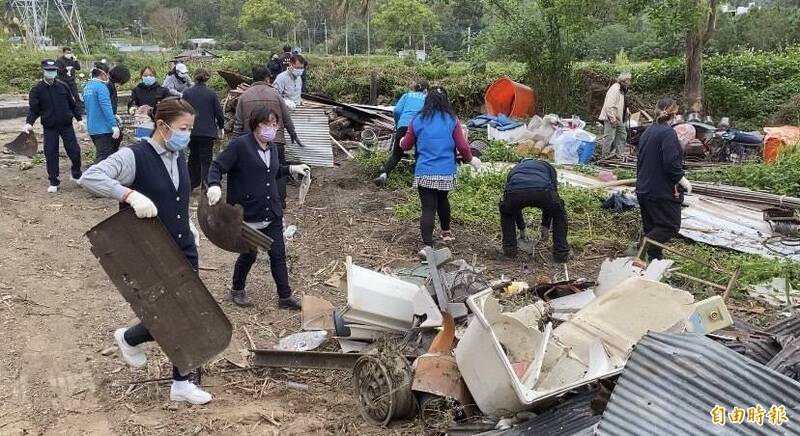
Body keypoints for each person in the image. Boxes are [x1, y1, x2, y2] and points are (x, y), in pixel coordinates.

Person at [78, 97, 209, 405]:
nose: (187, 134)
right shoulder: (134, 156)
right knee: (169, 314)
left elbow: (176, 197)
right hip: (151, 250)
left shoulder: (177, 155)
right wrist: (130, 194)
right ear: (162, 126)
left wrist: (188, 223)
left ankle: (179, 380)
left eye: (190, 128)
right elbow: (91, 177)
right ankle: (132, 340)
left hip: (182, 246)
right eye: (182, 128)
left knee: (189, 311)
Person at [207, 107, 309, 309]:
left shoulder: (272, 147)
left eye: (274, 124)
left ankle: (285, 296)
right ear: (255, 124)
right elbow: (217, 166)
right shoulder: (240, 146)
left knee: (278, 253)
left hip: (270, 211)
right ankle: (237, 289)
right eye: (266, 124)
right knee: (249, 254)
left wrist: (291, 168)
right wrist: (214, 185)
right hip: (248, 213)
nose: (271, 128)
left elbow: (272, 171)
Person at [399, 86, 481, 248]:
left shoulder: (417, 120)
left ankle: (428, 244)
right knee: (443, 200)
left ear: (427, 100)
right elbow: (463, 147)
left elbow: (406, 145)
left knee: (428, 207)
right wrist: (471, 160)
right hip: (446, 172)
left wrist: (402, 141)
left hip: (425, 172)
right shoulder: (452, 120)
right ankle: (446, 233)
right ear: (445, 101)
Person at [234, 66, 303, 209]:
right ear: (267, 78)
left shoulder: (244, 96)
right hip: (275, 140)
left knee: (255, 171)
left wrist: (235, 142)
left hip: (252, 142)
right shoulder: (275, 94)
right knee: (278, 169)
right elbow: (286, 117)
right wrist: (293, 134)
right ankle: (280, 201)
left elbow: (238, 123)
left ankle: (257, 200)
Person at [636, 97, 692, 261]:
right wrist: (681, 179)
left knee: (653, 227)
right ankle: (641, 251)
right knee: (669, 226)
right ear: (674, 114)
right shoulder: (667, 133)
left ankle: (654, 263)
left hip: (644, 188)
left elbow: (641, 160)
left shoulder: (648, 131)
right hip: (660, 191)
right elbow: (670, 162)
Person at [24, 59, 84, 193]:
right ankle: (53, 181)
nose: (51, 73)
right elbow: (34, 109)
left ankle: (76, 173)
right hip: (50, 127)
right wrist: (29, 123)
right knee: (50, 153)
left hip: (66, 125)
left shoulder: (63, 86)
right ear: (43, 71)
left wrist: (79, 119)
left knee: (74, 150)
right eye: (48, 70)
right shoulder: (37, 89)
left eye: (53, 70)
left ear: (56, 71)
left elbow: (72, 104)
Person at [498, 159, 570, 263]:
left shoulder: (515, 169)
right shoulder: (548, 167)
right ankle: (561, 254)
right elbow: (552, 197)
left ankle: (509, 251)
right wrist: (545, 226)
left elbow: (513, 207)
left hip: (515, 192)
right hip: (543, 191)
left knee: (507, 211)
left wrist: (521, 228)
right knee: (559, 213)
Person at [374, 79, 429, 186]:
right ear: (426, 90)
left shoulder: (407, 95)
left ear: (414, 88)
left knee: (396, 154)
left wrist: (399, 123)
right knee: (420, 154)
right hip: (419, 127)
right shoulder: (427, 99)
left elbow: (397, 111)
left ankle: (384, 174)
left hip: (403, 125)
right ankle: (417, 182)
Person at [182, 68, 225, 190]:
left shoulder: (187, 93)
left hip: (191, 131)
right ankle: (205, 187)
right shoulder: (211, 94)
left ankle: (191, 184)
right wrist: (221, 127)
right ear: (207, 78)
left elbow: (182, 111)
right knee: (206, 160)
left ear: (194, 78)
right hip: (207, 132)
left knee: (193, 157)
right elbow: (219, 113)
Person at [83, 62, 120, 163]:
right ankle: (94, 177)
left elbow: (91, 107)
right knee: (103, 158)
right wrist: (113, 125)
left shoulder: (87, 87)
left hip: (93, 128)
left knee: (102, 154)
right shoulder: (101, 87)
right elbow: (106, 107)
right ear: (103, 74)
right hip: (104, 129)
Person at [128, 66, 171, 138]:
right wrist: (133, 109)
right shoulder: (136, 90)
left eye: (151, 75)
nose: (148, 77)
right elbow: (131, 103)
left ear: (155, 76)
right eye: (145, 75)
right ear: (141, 77)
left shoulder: (163, 91)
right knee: (143, 145)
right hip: (142, 124)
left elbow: (170, 106)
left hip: (158, 124)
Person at [599, 72, 632, 157]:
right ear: (624, 81)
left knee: (622, 135)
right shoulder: (615, 89)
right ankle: (604, 157)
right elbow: (609, 106)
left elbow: (621, 103)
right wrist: (612, 119)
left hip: (618, 118)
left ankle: (619, 155)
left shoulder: (622, 89)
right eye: (628, 80)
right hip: (611, 117)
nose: (630, 82)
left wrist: (626, 110)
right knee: (609, 138)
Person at [56, 47, 83, 114]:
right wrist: (65, 69)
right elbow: (57, 70)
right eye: (67, 53)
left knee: (76, 95)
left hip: (71, 81)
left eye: (70, 53)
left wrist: (76, 60)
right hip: (63, 81)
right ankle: (63, 110)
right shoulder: (59, 61)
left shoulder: (72, 60)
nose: (69, 54)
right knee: (64, 96)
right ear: (64, 53)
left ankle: (79, 110)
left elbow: (78, 68)